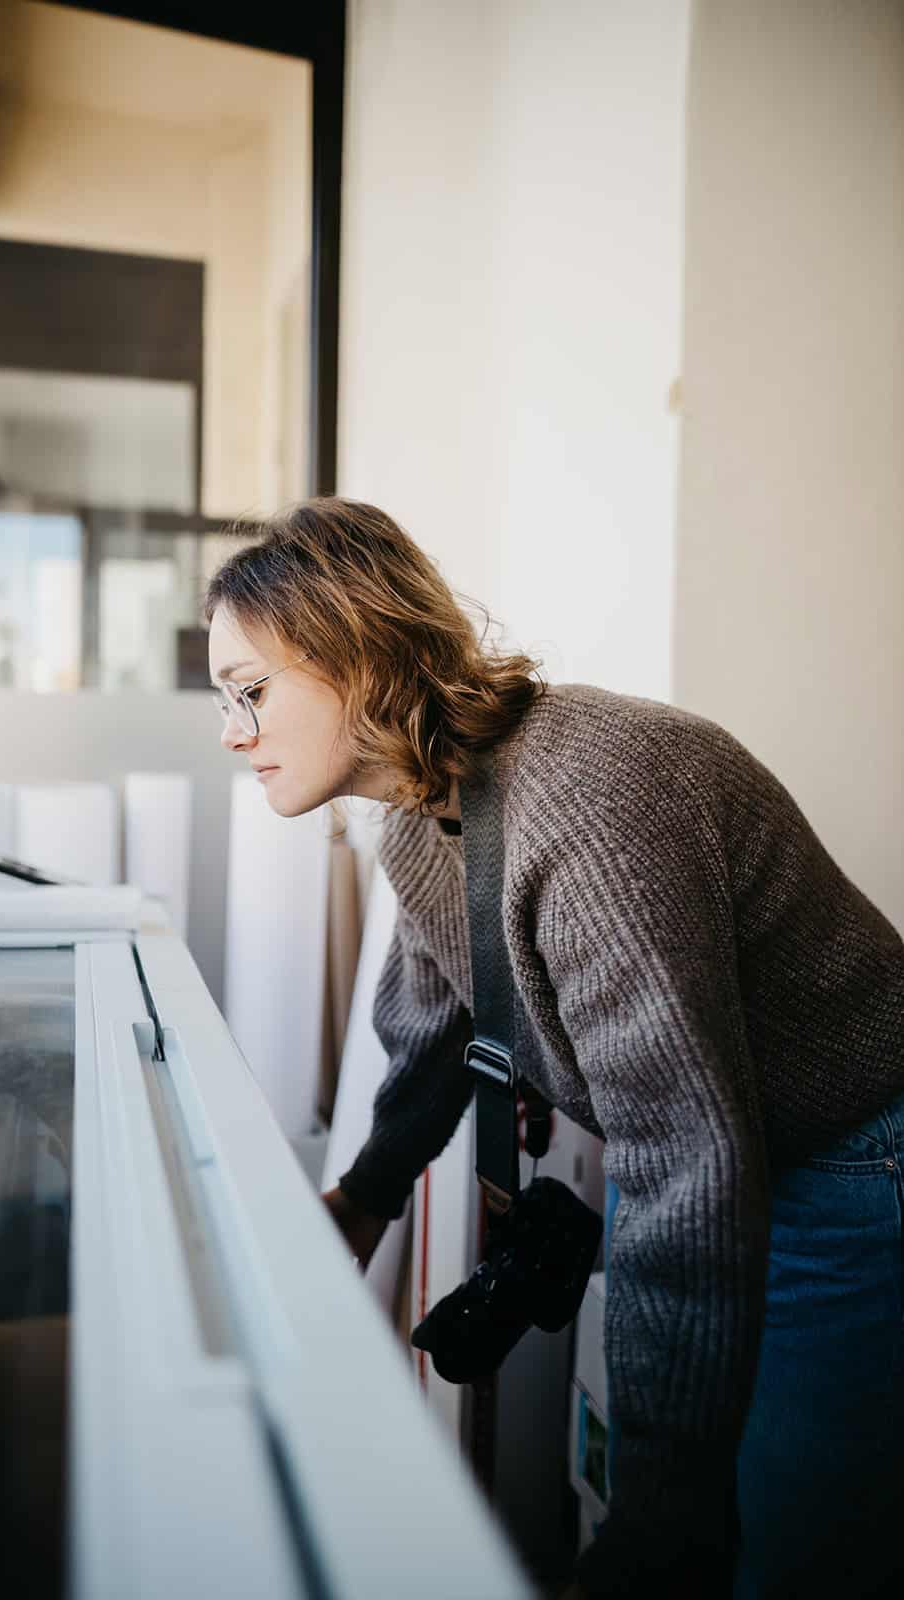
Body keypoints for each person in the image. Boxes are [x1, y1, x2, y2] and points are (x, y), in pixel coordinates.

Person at [205, 497, 904, 1599]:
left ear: (361, 650)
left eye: (251, 691)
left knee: (784, 1547)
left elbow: (687, 1162)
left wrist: (658, 1518)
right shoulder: (422, 819)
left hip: (844, 1167)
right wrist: (367, 1195)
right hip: (706, 1157)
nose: (232, 733)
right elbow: (429, 1028)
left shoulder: (591, 801)